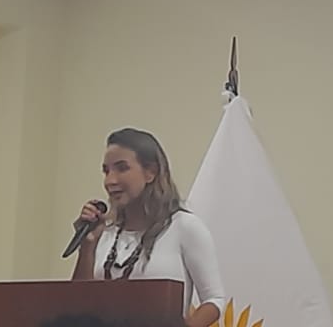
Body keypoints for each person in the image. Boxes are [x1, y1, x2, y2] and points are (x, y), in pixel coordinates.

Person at [69, 128, 226, 327]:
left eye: (122, 168)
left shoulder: (184, 227)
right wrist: (88, 247)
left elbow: (214, 299)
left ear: (150, 172)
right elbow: (78, 305)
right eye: (106, 171)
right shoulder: (105, 232)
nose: (110, 181)